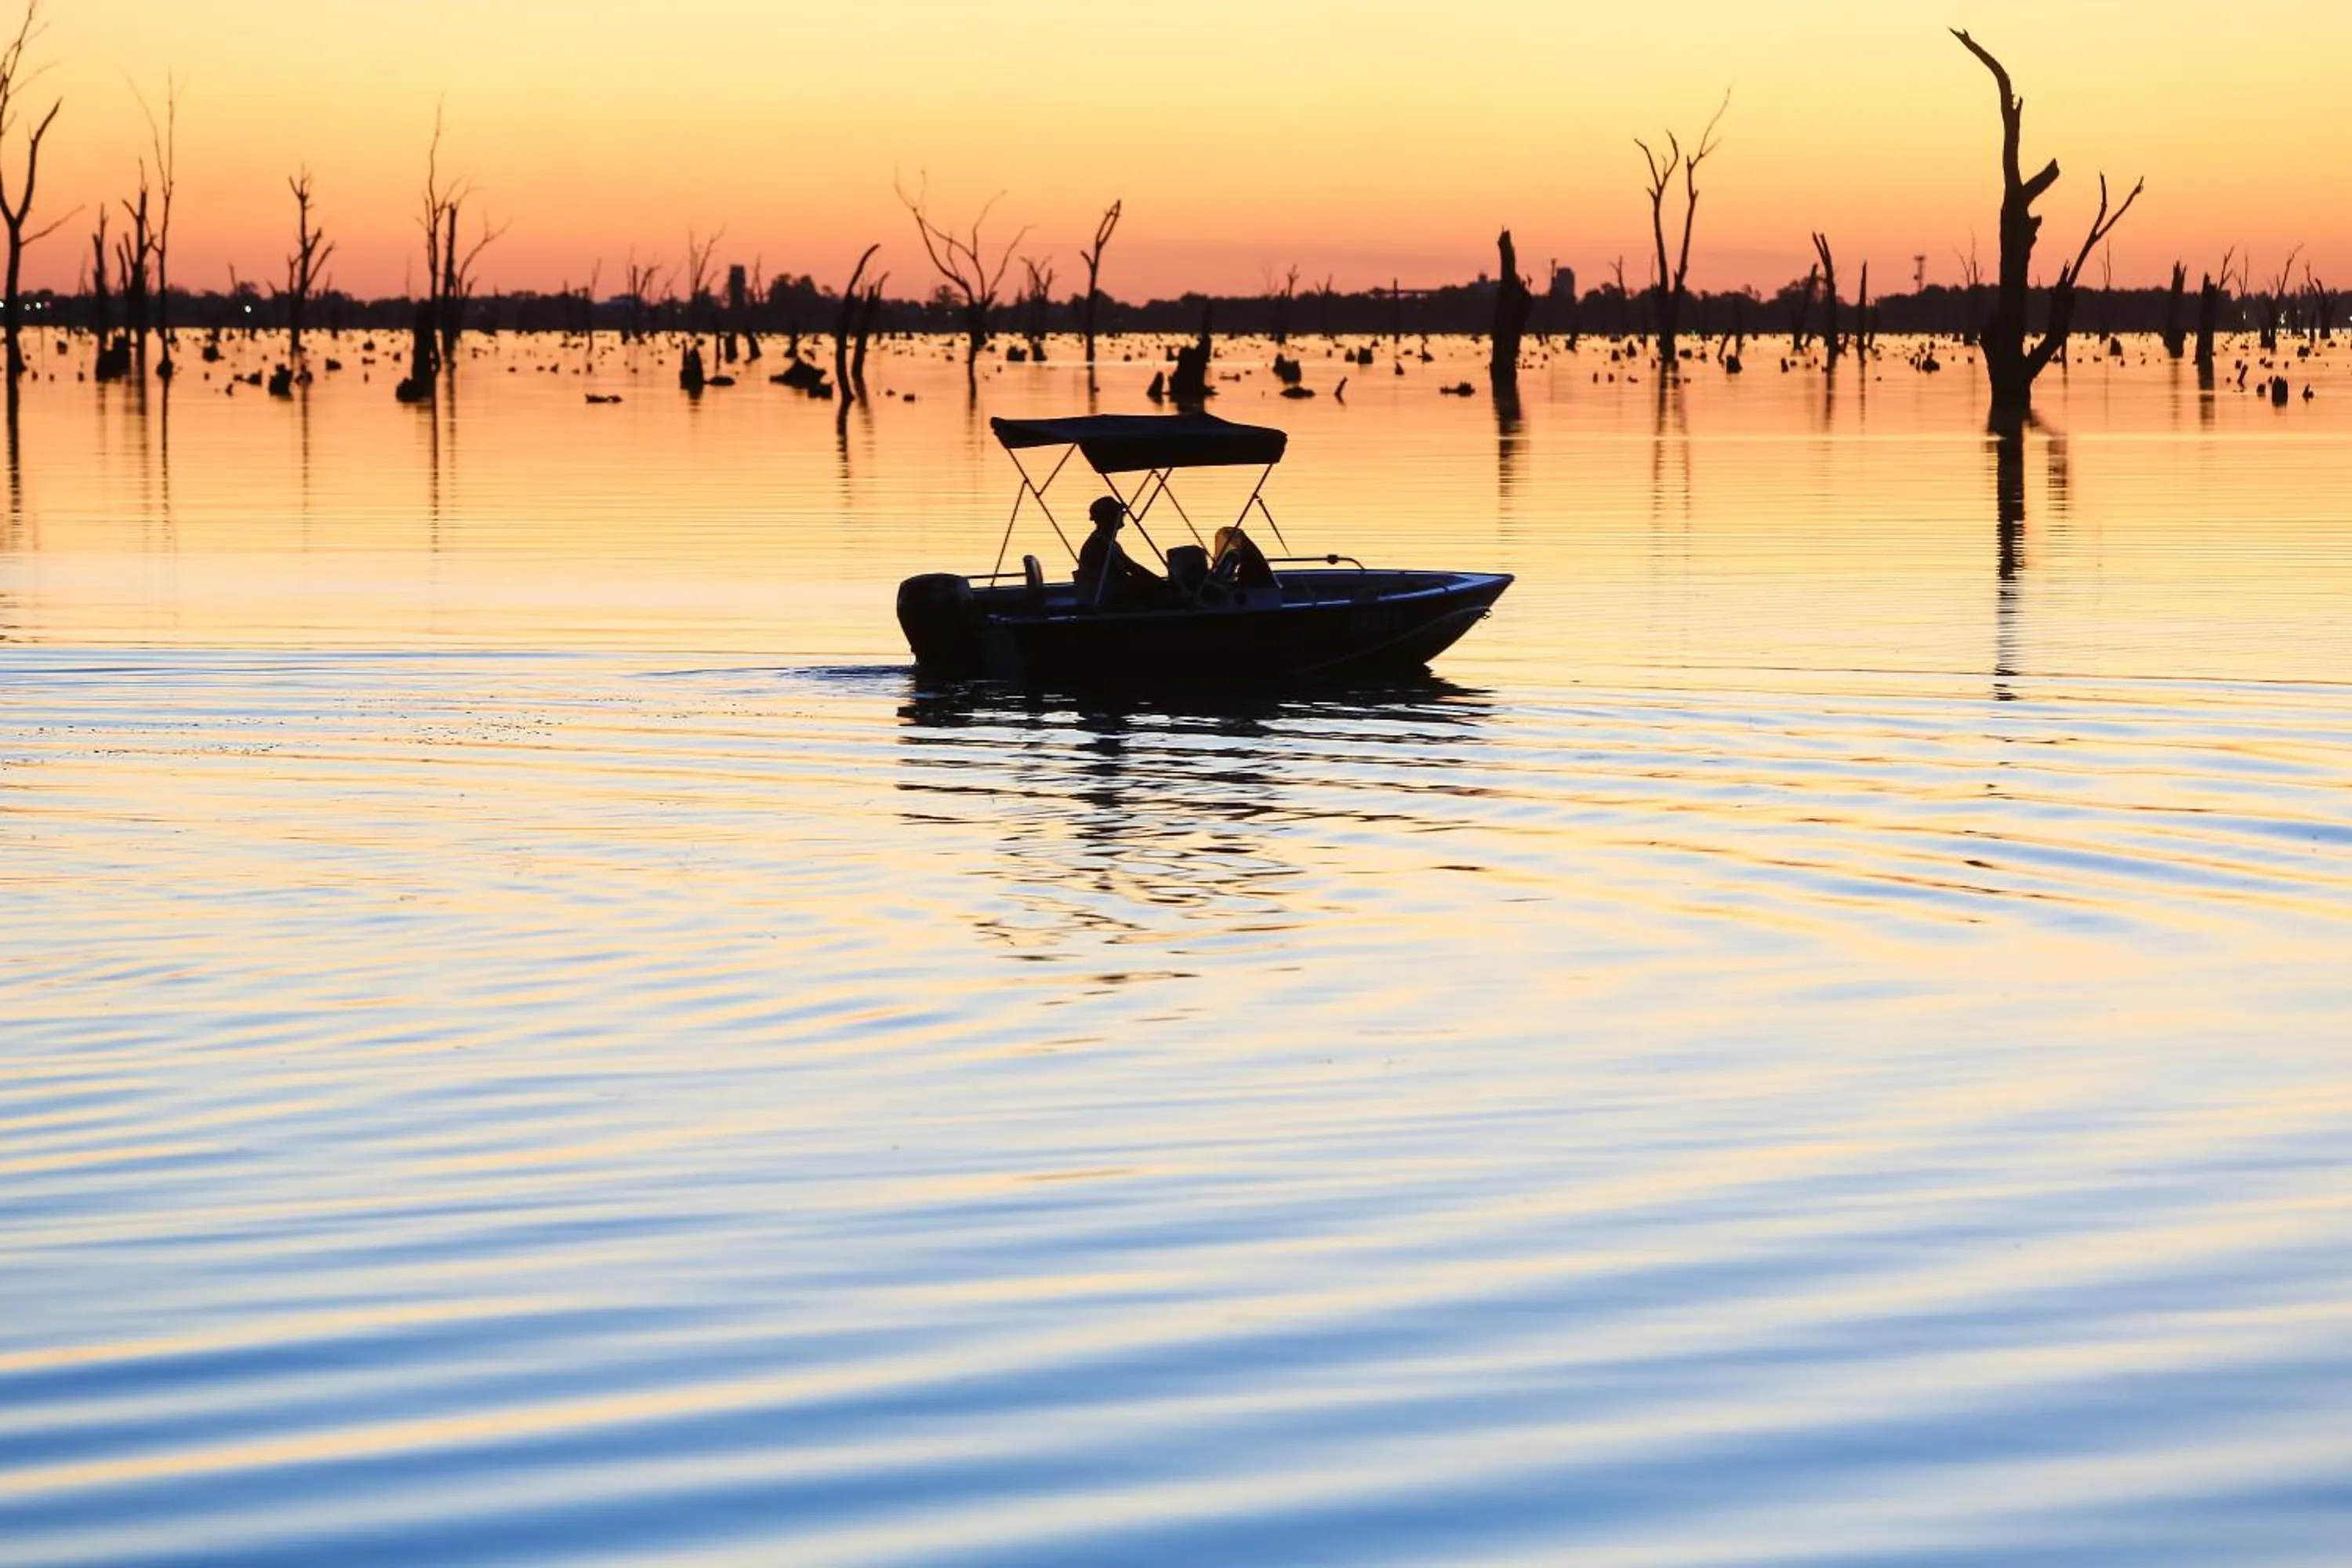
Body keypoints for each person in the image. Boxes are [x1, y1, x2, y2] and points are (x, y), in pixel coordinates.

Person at [1075, 495, 1165, 607]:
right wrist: (1155, 586)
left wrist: (1160, 583)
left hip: (1112, 594)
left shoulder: (1109, 542)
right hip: (1104, 600)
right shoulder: (1097, 546)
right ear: (1108, 518)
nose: (1122, 515)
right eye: (1118, 513)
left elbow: (1132, 566)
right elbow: (1120, 577)